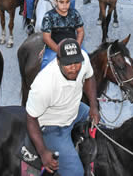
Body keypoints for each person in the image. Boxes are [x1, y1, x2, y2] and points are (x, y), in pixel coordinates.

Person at [26, 37, 99, 176]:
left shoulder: (83, 59)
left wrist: (94, 107)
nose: (74, 67)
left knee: (102, 130)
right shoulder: (44, 84)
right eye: (68, 64)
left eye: (77, 62)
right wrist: (43, 152)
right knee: (75, 173)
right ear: (58, 61)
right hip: (53, 125)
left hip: (75, 109)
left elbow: (89, 77)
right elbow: (31, 119)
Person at [40, 0, 85, 69]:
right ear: (55, 1)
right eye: (61, 2)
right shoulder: (48, 16)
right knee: (46, 67)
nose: (65, 5)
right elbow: (46, 38)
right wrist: (59, 50)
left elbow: (80, 31)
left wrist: (77, 45)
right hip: (55, 47)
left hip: (73, 45)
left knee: (87, 61)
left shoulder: (74, 14)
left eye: (67, 2)